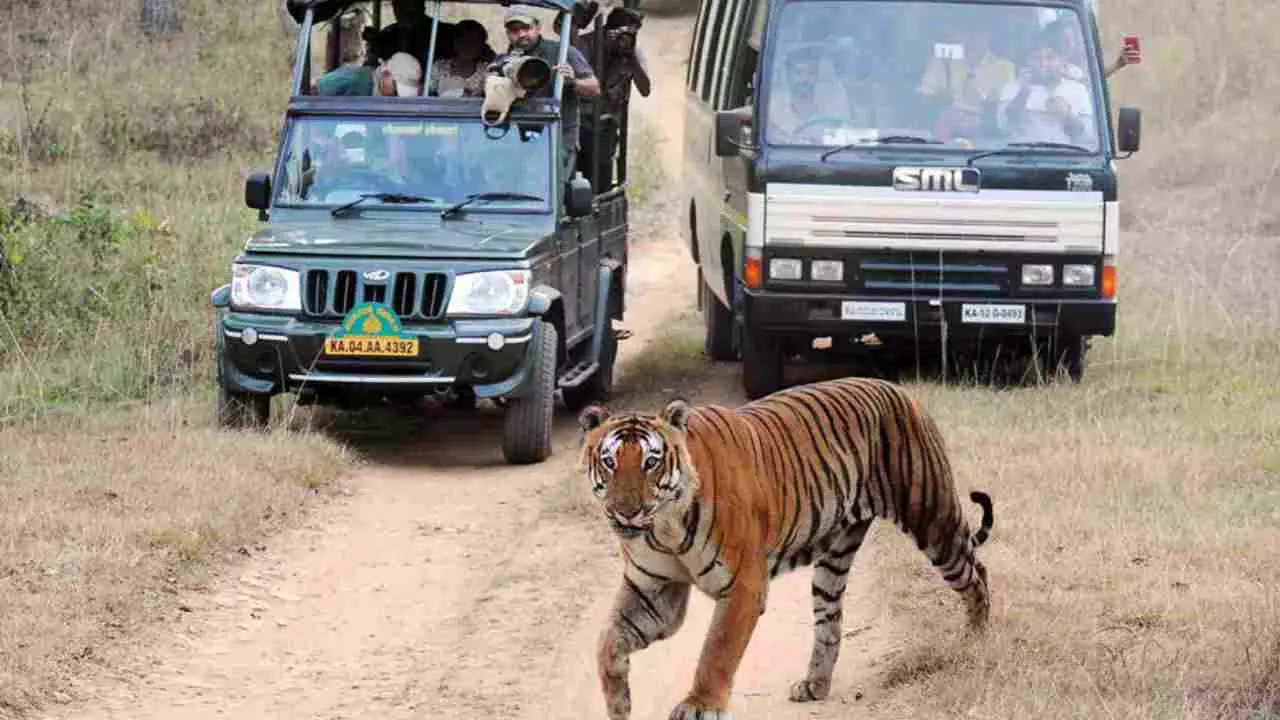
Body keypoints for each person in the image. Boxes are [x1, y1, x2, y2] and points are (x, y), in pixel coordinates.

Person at [494, 6, 601, 179]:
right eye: (514, 30)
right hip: (514, 137)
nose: (521, 34)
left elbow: (594, 88)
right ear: (507, 33)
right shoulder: (503, 60)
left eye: (526, 28)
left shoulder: (562, 52)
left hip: (556, 137)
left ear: (538, 27)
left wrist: (573, 81)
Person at [574, 6, 651, 188]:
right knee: (577, 174)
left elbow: (645, 90)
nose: (625, 40)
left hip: (606, 125)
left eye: (632, 34)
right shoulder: (587, 44)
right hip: (580, 121)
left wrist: (632, 59)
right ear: (607, 31)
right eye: (622, 34)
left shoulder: (631, 52)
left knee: (602, 176)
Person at [996, 36, 1095, 146]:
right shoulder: (1012, 88)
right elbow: (1003, 126)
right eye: (1036, 58)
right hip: (1019, 153)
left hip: (1063, 154)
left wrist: (1066, 114)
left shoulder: (1077, 89)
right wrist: (1023, 93)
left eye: (1050, 58)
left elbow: (1086, 135)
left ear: (1062, 61)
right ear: (1028, 61)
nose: (1043, 64)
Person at [767, 42, 850, 143]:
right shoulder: (771, 104)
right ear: (788, 75)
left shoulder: (833, 100)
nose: (805, 79)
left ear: (816, 75)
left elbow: (842, 133)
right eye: (798, 73)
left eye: (810, 73)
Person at [429, 19, 495, 97]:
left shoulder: (486, 70)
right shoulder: (439, 67)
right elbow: (427, 94)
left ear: (481, 46)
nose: (468, 47)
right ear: (454, 43)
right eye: (463, 41)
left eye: (474, 42)